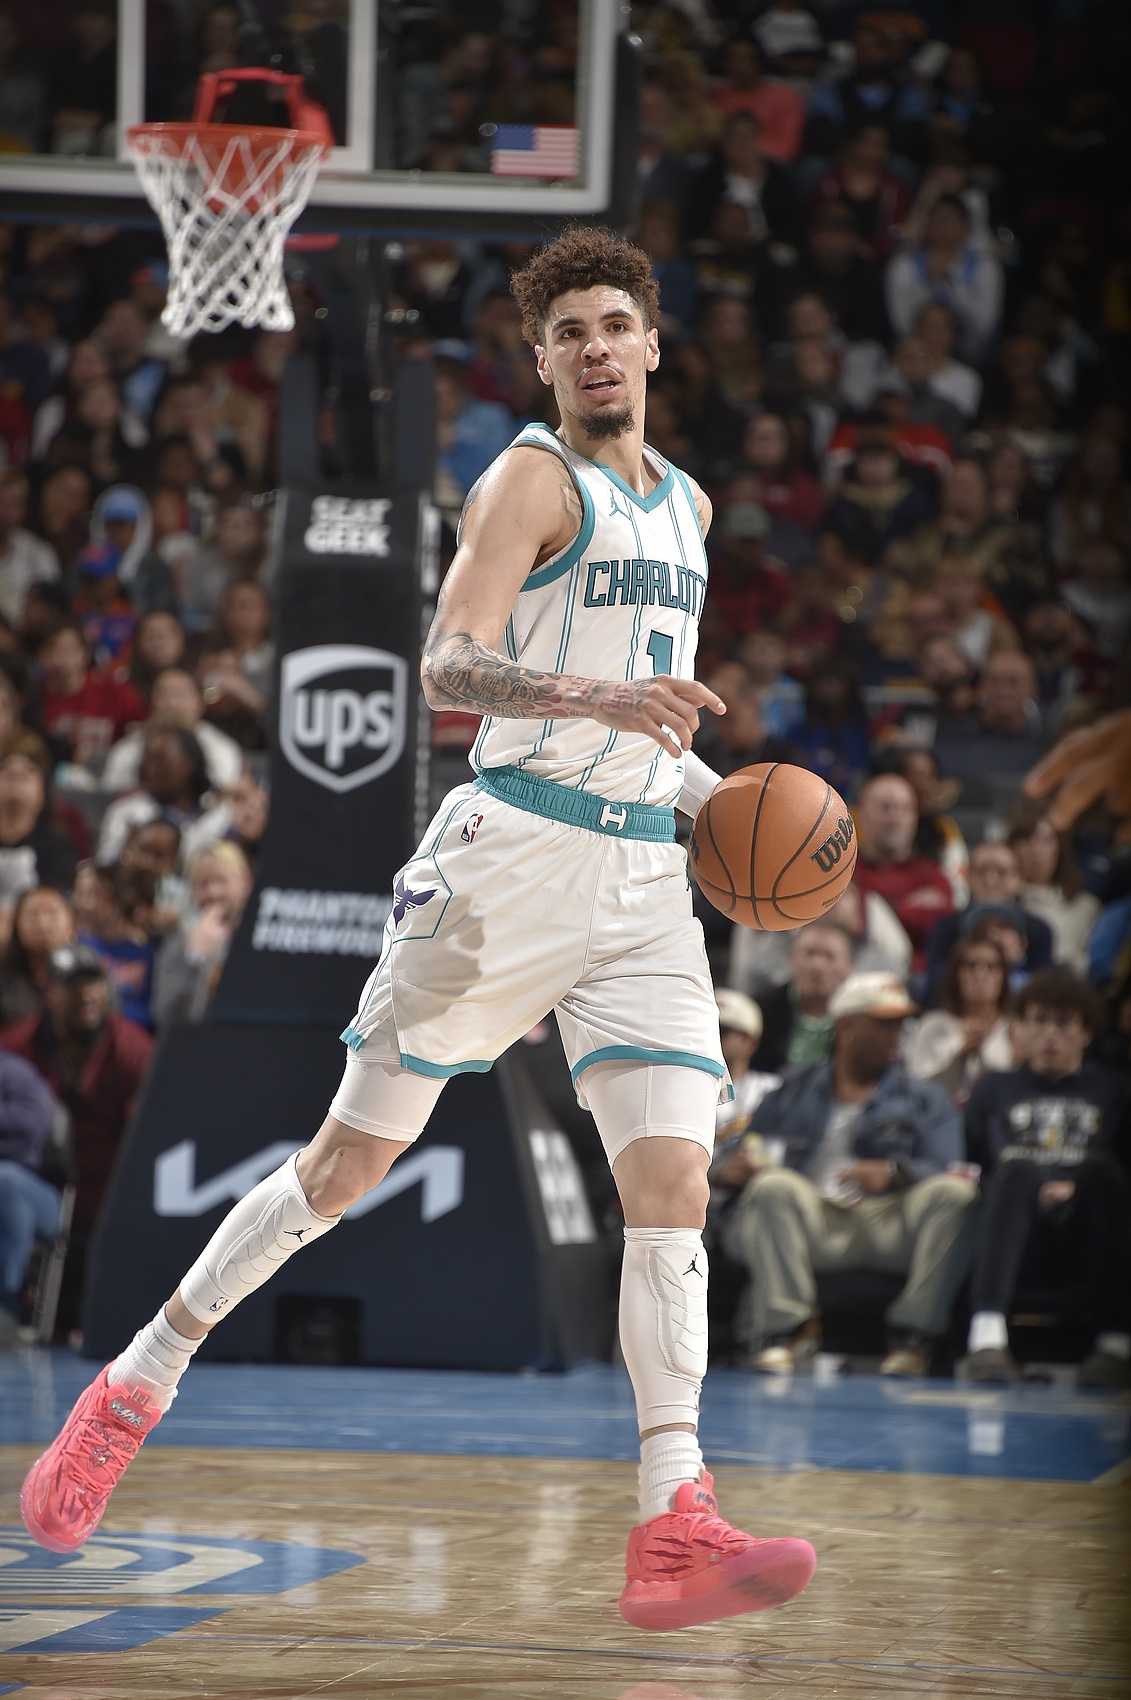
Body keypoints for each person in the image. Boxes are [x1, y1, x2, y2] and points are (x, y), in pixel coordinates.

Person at [20, 227, 818, 1630]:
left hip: (642, 881)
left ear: (651, 343)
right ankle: (137, 1380)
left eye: (612, 325)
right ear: (543, 359)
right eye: (567, 331)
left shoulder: (687, 504)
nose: (593, 348)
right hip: (509, 855)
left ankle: (673, 1519)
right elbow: (449, 661)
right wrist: (594, 702)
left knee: (673, 1183)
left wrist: (736, 808)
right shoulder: (529, 479)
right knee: (343, 1167)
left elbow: (656, 726)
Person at [720, 972, 976, 1377]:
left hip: (888, 1222)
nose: (897, 1036)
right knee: (771, 1187)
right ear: (846, 1028)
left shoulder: (926, 1098)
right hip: (817, 1223)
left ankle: (913, 1338)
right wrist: (727, 1168)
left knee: (957, 1196)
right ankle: (790, 1333)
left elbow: (951, 1168)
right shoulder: (793, 1088)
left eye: (900, 1024)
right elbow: (742, 1148)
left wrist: (894, 1172)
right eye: (883, 1024)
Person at [963, 970, 1131, 1389]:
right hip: (1013, 1228)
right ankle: (986, 1338)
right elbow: (971, 1163)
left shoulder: (1116, 1089)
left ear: (1087, 1032)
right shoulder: (993, 1088)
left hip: (1087, 1228)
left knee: (1102, 1170)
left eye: (1064, 1021)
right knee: (1016, 1168)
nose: (1050, 1033)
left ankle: (1115, 1346)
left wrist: (1074, 1188)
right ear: (1017, 1029)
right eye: (1039, 1020)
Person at [0, 942, 153, 1307]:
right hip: (41, 1185)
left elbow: (152, 1136)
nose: (85, 994)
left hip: (110, 1195)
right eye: (72, 984)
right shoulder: (17, 1044)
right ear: (49, 992)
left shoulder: (133, 1049)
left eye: (93, 982)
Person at [925, 840, 1053, 1001]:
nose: (990, 880)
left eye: (1001, 872)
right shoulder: (947, 926)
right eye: (982, 872)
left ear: (1019, 878)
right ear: (968, 877)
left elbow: (1046, 990)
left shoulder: (1038, 930)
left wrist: (1014, 962)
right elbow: (934, 985)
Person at [852, 773, 953, 974]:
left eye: (904, 809)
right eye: (885, 808)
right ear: (862, 814)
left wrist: (872, 909)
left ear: (915, 818)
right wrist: (907, 908)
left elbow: (942, 927)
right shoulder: (844, 874)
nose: (894, 818)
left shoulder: (934, 877)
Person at [96, 721, 229, 868]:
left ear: (189, 762)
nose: (150, 769)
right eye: (147, 760)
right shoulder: (127, 813)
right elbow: (105, 869)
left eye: (160, 759)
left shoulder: (218, 816)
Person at [152, 841, 252, 1026]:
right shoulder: (178, 944)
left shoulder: (261, 939)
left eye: (222, 880)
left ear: (245, 883)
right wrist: (195, 959)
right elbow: (167, 1017)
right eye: (203, 883)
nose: (213, 892)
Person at [0, 1044, 61, 1345]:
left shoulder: (14, 1072)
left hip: (33, 1190)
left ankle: (6, 1304)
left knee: (5, 1181)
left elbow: (33, 1123)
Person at [933, 650, 1047, 810]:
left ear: (1033, 690)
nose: (1003, 691)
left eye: (1013, 682)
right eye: (994, 682)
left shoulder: (1048, 745)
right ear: (981, 688)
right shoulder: (954, 743)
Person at [906, 935, 1014, 1103]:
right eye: (971, 966)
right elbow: (915, 1085)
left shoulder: (1014, 1028)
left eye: (991, 966)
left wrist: (983, 1052)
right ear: (956, 975)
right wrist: (958, 1050)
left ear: (1003, 976)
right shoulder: (933, 1025)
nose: (980, 975)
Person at [101, 666, 243, 794]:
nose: (172, 703)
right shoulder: (128, 750)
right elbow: (112, 796)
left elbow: (223, 798)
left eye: (181, 695)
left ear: (199, 703)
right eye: (164, 695)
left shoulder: (220, 748)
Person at [0, 731, 79, 948]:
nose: (16, 774)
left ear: (43, 790)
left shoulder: (59, 849)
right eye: (5, 769)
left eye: (28, 771)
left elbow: (55, 916)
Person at [1007, 807, 1101, 979]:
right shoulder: (1000, 904)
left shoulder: (1086, 906)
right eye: (1026, 839)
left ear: (1059, 848)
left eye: (1045, 840)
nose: (1036, 849)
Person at [752, 923, 853, 1073]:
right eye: (809, 954)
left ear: (848, 965)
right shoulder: (761, 1010)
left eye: (829, 957)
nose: (817, 966)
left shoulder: (858, 1018)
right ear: (792, 958)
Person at [0, 884, 76, 1026]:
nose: (42, 923)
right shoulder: (5, 982)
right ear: (16, 925)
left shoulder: (88, 974)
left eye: (52, 913)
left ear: (73, 922)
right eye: (32, 915)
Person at [713, 989, 782, 1141]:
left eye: (721, 1031)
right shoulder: (685, 1083)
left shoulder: (771, 1090)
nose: (712, 1037)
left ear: (750, 1042)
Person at [0, 469, 61, 631]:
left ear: (23, 509)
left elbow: (52, 607)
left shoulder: (40, 552)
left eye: (12, 505)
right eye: (1, 502)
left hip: (27, 636)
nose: (3, 512)